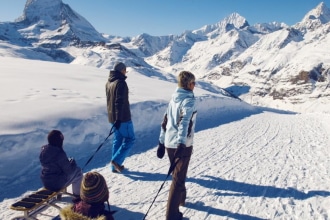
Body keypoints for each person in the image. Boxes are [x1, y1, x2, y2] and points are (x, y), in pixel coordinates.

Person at [157, 71, 197, 220]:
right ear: (188, 84)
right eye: (194, 83)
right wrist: (181, 143)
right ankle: (172, 215)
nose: (195, 86)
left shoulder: (174, 98)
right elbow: (184, 122)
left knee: (178, 174)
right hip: (182, 145)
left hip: (169, 144)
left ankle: (181, 199)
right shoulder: (188, 100)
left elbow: (165, 121)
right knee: (178, 178)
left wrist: (161, 142)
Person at [106, 62, 135, 173]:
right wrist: (119, 118)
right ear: (121, 70)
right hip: (122, 118)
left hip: (112, 117)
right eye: (125, 70)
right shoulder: (121, 83)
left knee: (117, 139)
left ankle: (114, 167)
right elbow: (119, 102)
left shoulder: (108, 83)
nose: (125, 72)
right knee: (130, 139)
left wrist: (114, 118)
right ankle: (116, 161)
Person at [39, 130, 83, 197]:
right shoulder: (59, 153)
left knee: (58, 173)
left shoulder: (44, 151)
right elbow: (69, 171)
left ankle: (59, 195)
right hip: (56, 183)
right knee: (78, 172)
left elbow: (53, 165)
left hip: (46, 182)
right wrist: (72, 163)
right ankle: (77, 196)